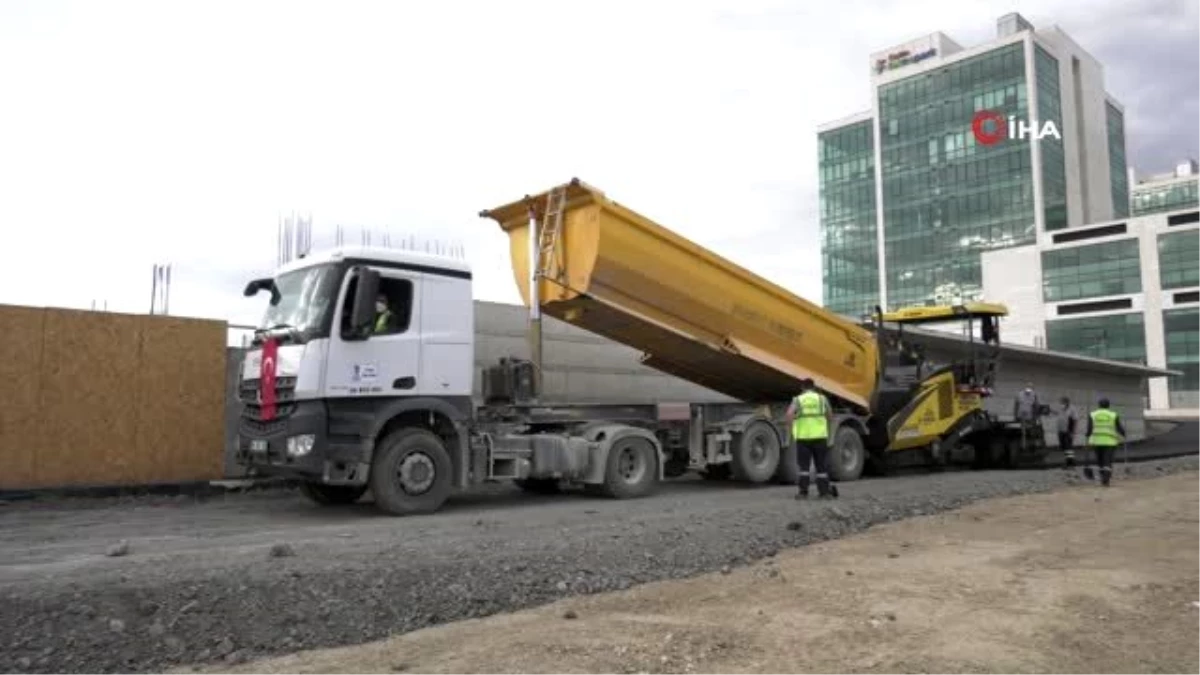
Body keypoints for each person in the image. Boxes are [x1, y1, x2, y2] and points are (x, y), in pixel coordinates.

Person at [785, 378, 837, 500]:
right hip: (820, 437)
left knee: (804, 467)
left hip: (803, 438)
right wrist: (828, 431)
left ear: (802, 388)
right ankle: (824, 493)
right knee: (821, 466)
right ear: (813, 387)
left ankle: (803, 493)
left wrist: (791, 430)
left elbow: (789, 414)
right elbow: (830, 416)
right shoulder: (821, 399)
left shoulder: (798, 399)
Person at [1084, 398, 1125, 487]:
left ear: (1099, 405)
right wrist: (1124, 433)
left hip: (1096, 441)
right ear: (1108, 405)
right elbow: (1119, 428)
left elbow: (1089, 429)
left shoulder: (1093, 414)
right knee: (1107, 461)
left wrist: (1087, 435)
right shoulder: (1113, 415)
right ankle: (1105, 480)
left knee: (1100, 461)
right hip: (1110, 442)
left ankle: (1102, 476)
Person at [1055, 396, 1080, 468]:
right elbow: (1058, 415)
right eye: (1061, 402)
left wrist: (1073, 432)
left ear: (1066, 402)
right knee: (1064, 447)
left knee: (1068, 447)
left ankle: (1068, 462)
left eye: (1062, 402)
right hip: (1060, 430)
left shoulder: (1072, 409)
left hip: (1068, 431)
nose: (1061, 404)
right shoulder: (1060, 409)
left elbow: (1075, 420)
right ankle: (1071, 460)